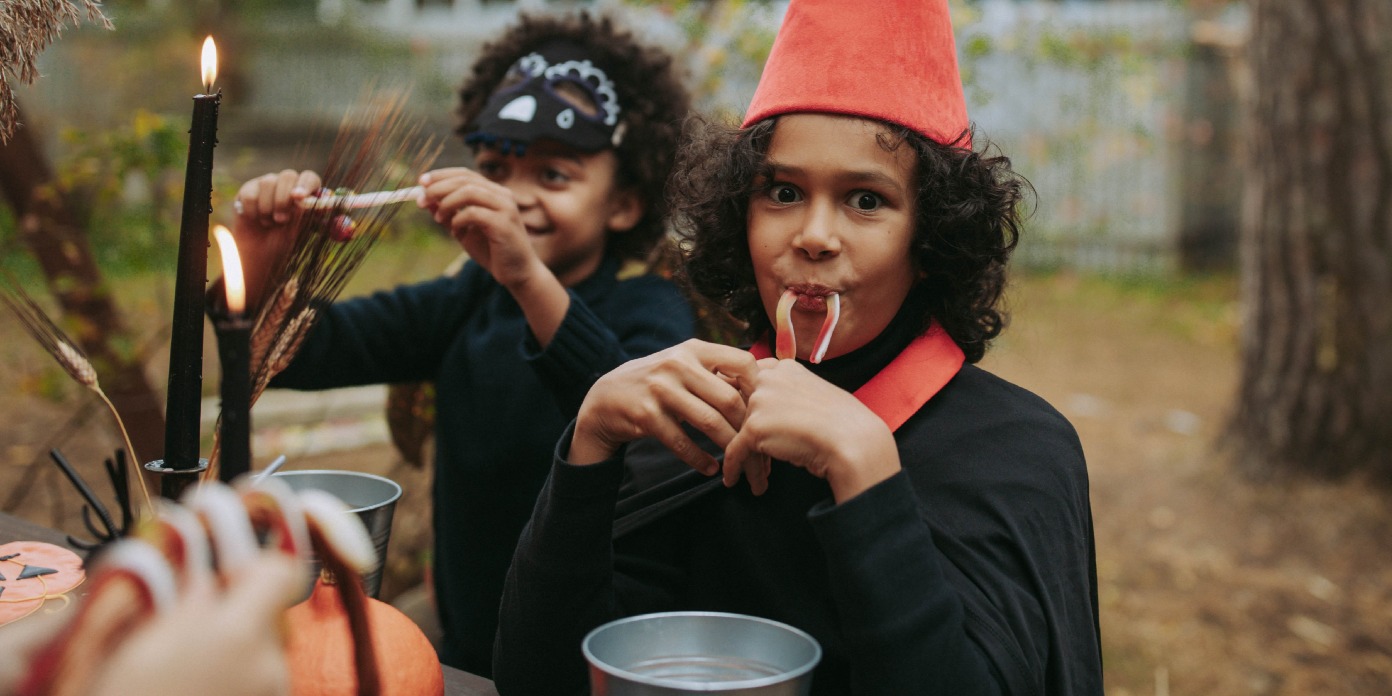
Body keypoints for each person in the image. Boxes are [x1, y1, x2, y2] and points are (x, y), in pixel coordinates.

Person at [492, 1, 1103, 694]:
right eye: (782, 191)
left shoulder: (1016, 451)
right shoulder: (693, 430)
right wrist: (591, 441)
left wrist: (868, 472)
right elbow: (545, 680)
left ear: (930, 239)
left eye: (865, 201)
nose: (812, 235)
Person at [231, 11, 695, 677]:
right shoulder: (466, 302)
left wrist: (526, 276)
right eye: (494, 168)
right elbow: (298, 353)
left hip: (590, 665)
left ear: (623, 204)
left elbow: (639, 419)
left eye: (553, 175)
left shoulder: (652, 309)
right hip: (466, 655)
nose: (512, 198)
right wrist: (259, 263)